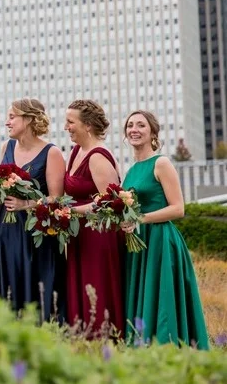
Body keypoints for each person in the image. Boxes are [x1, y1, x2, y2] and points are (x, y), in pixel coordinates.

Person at [122, 111, 209, 349]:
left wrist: (140, 218)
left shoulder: (161, 163)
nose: (134, 129)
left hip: (160, 240)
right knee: (145, 294)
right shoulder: (131, 170)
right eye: (130, 125)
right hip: (139, 243)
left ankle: (168, 347)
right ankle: (143, 347)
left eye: (141, 125)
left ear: (152, 132)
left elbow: (178, 209)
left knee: (162, 299)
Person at [0, 99, 66, 322]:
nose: (7, 122)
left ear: (29, 119)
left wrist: (26, 205)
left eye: (12, 116)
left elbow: (56, 199)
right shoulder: (7, 148)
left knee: (35, 282)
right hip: (6, 227)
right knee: (8, 279)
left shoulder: (51, 153)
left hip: (36, 233)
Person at [63, 99, 124, 338]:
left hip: (99, 236)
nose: (66, 127)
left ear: (87, 125)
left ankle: (104, 339)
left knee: (97, 287)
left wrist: (70, 212)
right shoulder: (76, 151)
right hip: (80, 235)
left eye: (70, 122)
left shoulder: (98, 156)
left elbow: (109, 204)